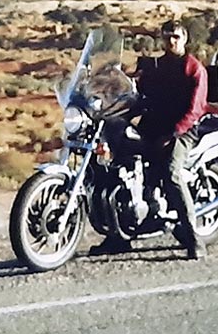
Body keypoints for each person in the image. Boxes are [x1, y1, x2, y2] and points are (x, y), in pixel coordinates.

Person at [89, 19, 209, 259]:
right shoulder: (156, 66)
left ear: (184, 38)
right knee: (114, 164)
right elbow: (140, 97)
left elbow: (195, 109)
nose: (170, 41)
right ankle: (118, 236)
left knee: (171, 172)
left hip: (182, 131)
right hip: (153, 127)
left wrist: (173, 133)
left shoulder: (193, 68)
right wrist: (112, 109)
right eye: (166, 36)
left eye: (175, 36)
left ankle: (193, 238)